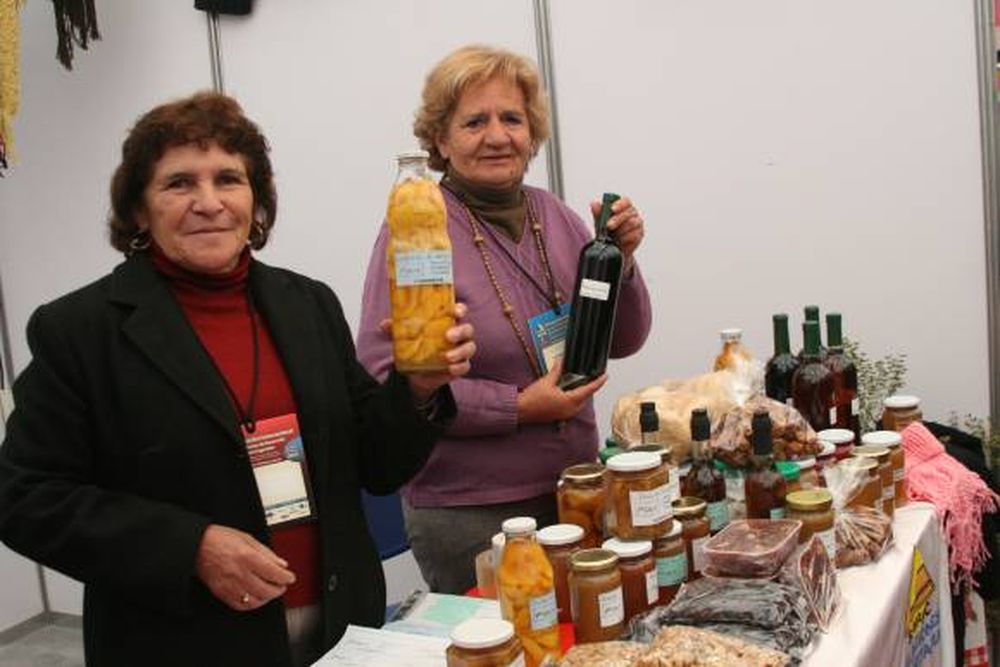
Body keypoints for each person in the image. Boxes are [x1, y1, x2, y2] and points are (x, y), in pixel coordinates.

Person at [0, 92, 475, 667]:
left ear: (256, 201)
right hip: (183, 644)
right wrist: (189, 547)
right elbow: (24, 498)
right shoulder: (79, 330)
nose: (208, 203)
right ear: (138, 210)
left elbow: (377, 463)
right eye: (178, 184)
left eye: (229, 179)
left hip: (339, 632)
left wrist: (417, 388)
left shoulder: (307, 303)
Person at [358, 44, 652, 594]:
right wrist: (517, 409)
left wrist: (625, 262)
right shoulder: (417, 226)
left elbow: (625, 339)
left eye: (511, 118)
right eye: (474, 122)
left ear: (532, 132)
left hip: (574, 492)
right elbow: (382, 378)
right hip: (472, 515)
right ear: (440, 141)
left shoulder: (554, 215)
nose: (497, 136)